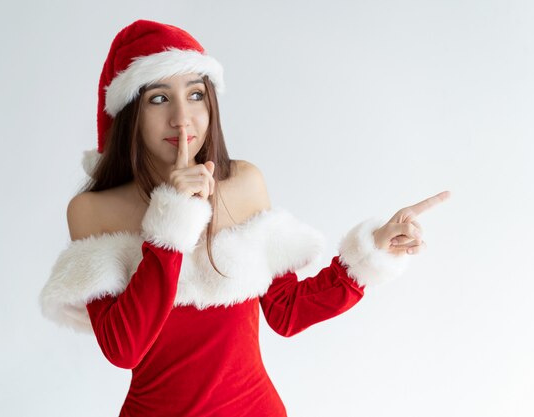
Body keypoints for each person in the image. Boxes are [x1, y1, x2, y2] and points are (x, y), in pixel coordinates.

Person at [39, 19, 450, 417]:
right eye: (159, 98)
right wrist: (174, 220)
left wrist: (370, 253)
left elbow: (286, 312)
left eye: (196, 95)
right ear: (130, 111)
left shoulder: (245, 183)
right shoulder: (93, 211)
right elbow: (123, 349)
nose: (182, 118)